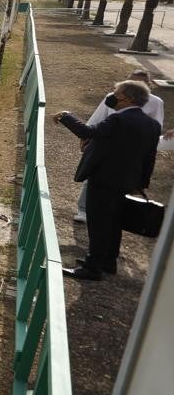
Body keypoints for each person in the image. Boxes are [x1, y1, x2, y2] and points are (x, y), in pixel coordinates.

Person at [54, 79, 160, 281]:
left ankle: (92, 267)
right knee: (113, 222)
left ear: (127, 98)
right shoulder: (152, 125)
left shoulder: (118, 120)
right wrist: (141, 184)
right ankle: (108, 261)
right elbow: (150, 157)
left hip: (104, 179)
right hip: (127, 182)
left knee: (98, 222)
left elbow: (87, 132)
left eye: (116, 93)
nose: (112, 96)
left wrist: (66, 117)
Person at [73, 70, 164, 223]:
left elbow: (156, 126)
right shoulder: (113, 97)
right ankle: (84, 210)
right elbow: (98, 118)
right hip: (106, 144)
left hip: (131, 151)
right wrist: (86, 137)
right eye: (130, 81)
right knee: (94, 175)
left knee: (118, 184)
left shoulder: (156, 102)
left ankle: (111, 215)